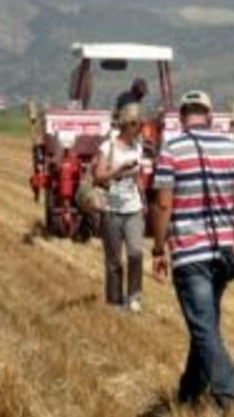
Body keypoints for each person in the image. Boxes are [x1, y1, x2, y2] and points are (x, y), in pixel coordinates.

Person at [151, 90, 234, 413]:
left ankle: (227, 391)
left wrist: (158, 248)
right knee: (206, 322)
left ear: (182, 116)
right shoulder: (231, 146)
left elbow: (163, 202)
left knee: (204, 326)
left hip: (189, 252)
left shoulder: (171, 149)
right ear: (209, 116)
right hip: (224, 252)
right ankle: (189, 390)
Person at [94, 103, 146, 312]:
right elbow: (99, 176)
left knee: (136, 253)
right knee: (114, 260)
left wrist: (142, 199)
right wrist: (118, 170)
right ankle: (114, 301)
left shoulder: (138, 147)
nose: (138, 127)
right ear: (124, 125)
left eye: (139, 123)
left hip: (133, 209)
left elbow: (138, 177)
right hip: (112, 210)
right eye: (134, 123)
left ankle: (134, 296)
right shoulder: (108, 148)